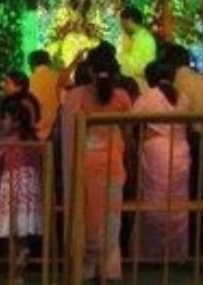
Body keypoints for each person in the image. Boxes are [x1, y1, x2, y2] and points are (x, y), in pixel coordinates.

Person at [62, 46, 132, 283]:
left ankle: (88, 267)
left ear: (89, 70)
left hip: (86, 164)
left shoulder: (76, 96)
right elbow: (128, 134)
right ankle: (110, 270)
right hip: (114, 164)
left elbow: (69, 132)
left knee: (88, 217)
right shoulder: (122, 97)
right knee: (112, 218)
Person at [132, 60, 190, 261]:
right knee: (177, 202)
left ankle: (151, 254)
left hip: (157, 150)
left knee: (154, 200)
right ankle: (176, 253)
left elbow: (132, 117)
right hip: (182, 150)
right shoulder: (183, 97)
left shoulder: (150, 96)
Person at [0, 94, 43, 282]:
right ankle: (20, 268)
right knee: (22, 229)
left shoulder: (7, 142)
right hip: (30, 184)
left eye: (5, 117)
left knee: (13, 231)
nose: (2, 122)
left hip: (12, 183)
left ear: (15, 121)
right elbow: (38, 164)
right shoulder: (33, 140)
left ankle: (16, 273)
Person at [117, 9, 156, 87]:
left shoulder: (145, 39)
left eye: (124, 24)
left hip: (140, 85)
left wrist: (118, 61)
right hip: (127, 83)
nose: (122, 27)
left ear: (131, 21)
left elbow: (137, 66)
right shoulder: (126, 36)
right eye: (121, 24)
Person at [28, 51, 61, 142]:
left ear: (32, 64)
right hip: (55, 130)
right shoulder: (58, 78)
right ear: (48, 63)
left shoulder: (30, 80)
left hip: (35, 131)